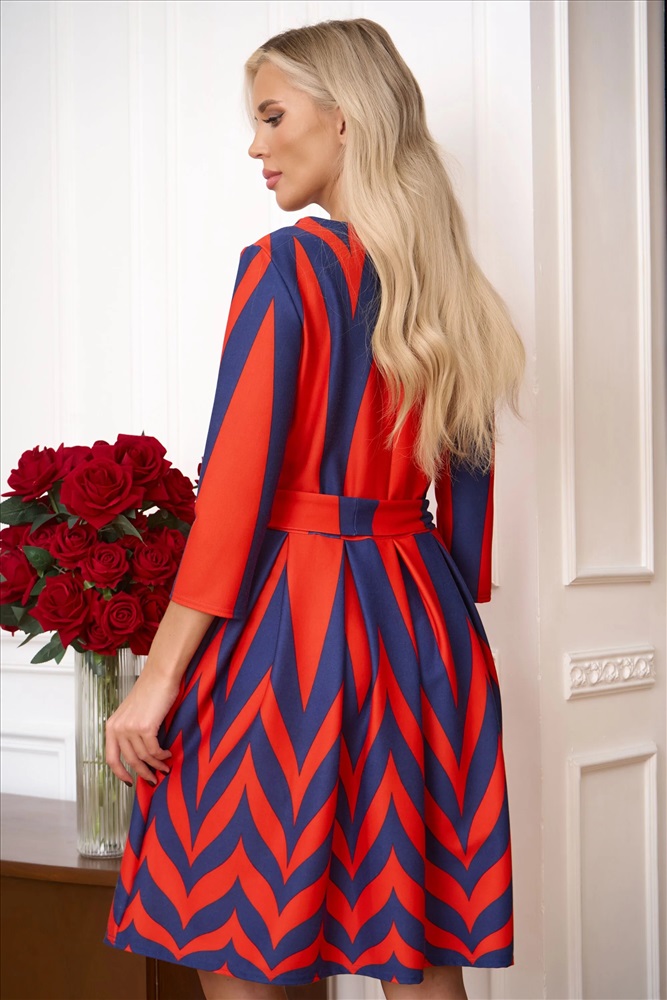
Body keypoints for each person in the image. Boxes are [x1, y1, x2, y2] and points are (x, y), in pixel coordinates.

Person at [103, 18, 525, 1000]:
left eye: (271, 116)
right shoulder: (451, 286)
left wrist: (158, 678)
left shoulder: (287, 268)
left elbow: (236, 489)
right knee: (412, 934)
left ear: (344, 121)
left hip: (289, 625)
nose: (255, 145)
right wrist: (445, 585)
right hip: (423, 625)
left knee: (237, 918)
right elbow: (466, 501)